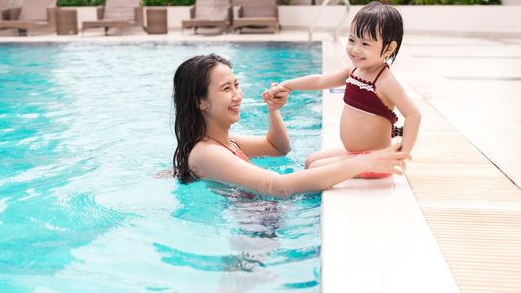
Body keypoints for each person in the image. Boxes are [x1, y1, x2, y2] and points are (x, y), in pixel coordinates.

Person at [169, 53, 410, 198]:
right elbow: (277, 187)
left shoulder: (226, 142)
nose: (238, 95)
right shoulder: (207, 153)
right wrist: (363, 162)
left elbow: (277, 148)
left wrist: (274, 111)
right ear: (200, 102)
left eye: (236, 84)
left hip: (260, 217)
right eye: (226, 89)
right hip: (250, 230)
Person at [264, 1, 421, 178]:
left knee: (316, 168)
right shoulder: (353, 71)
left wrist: (401, 154)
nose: (355, 49)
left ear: (389, 48)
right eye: (352, 40)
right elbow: (320, 80)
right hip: (356, 154)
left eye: (365, 44)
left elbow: (414, 115)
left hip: (375, 161)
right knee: (310, 161)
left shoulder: (384, 81)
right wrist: (288, 85)